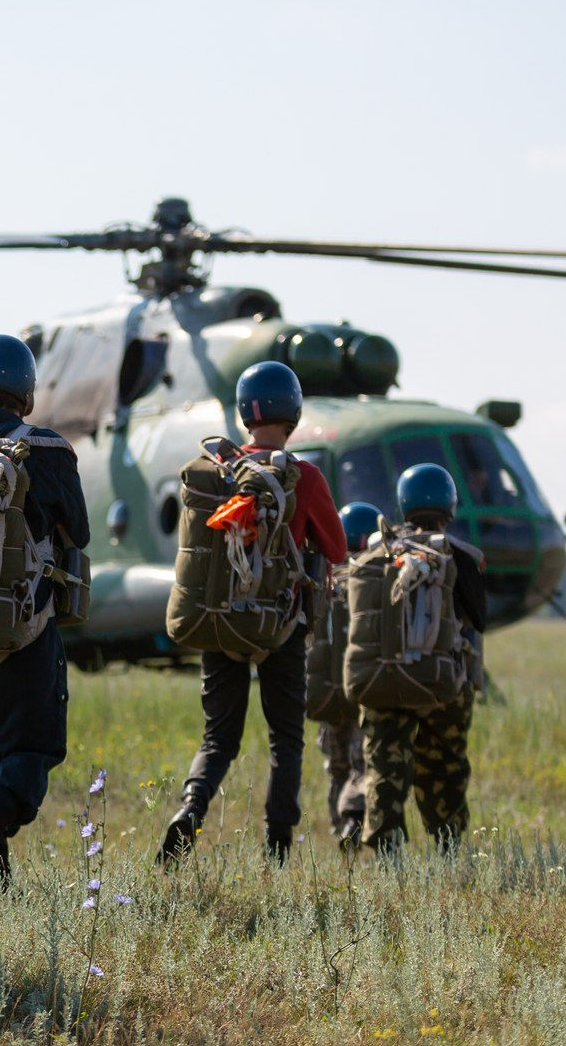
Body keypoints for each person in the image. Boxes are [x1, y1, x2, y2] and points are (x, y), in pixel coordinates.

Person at [159, 361, 346, 865]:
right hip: (280, 628)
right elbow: (336, 548)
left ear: (245, 413)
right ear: (294, 412)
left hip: (219, 621)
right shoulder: (304, 476)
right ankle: (277, 848)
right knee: (286, 739)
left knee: (218, 738)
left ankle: (191, 810)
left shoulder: (219, 472)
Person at [0, 334, 89, 892]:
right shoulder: (48, 450)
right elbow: (80, 530)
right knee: (33, 748)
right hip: (25, 622)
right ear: (26, 391)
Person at [358, 462, 488, 854]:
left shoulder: (377, 553)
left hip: (384, 679)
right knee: (445, 764)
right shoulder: (460, 555)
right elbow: (479, 618)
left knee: (384, 765)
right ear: (450, 504)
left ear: (403, 503)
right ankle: (447, 847)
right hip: (443, 683)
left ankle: (386, 853)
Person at [316, 500, 382, 849]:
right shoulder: (373, 579)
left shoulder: (324, 581)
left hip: (328, 694)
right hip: (361, 690)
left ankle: (340, 827)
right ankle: (355, 820)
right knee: (361, 764)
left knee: (336, 766)